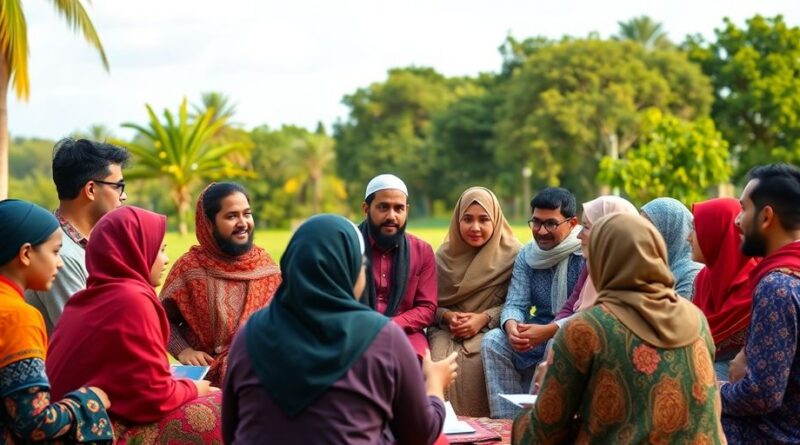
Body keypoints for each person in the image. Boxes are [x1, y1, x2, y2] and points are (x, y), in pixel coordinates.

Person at [222, 214, 457, 444]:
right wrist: (434, 384)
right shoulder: (383, 337)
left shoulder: (249, 334)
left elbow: (230, 432)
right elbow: (420, 434)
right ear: (351, 269)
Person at [512, 213, 724, 444]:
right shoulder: (696, 319)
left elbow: (543, 433)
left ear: (602, 261)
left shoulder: (588, 328)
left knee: (524, 423)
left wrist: (547, 387)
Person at [46, 206, 223, 443]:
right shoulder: (132, 299)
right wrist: (196, 389)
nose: (166, 259)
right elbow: (153, 398)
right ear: (135, 251)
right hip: (92, 431)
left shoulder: (86, 299)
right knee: (220, 407)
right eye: (159, 250)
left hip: (70, 424)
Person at [0, 199, 113, 444]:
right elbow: (35, 424)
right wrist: (89, 400)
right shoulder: (19, 317)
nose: (60, 262)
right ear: (26, 254)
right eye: (55, 251)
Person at [160, 183, 281, 386]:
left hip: (263, 380)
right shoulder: (190, 268)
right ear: (209, 223)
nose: (243, 223)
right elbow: (158, 317)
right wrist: (183, 349)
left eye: (247, 214)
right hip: (206, 384)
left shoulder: (266, 266)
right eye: (232, 216)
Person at [482, 187, 584, 419]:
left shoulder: (585, 254)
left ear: (572, 222)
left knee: (557, 342)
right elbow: (516, 302)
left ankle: (535, 424)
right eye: (536, 222)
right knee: (493, 341)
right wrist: (512, 327)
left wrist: (547, 332)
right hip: (534, 331)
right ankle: (507, 423)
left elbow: (590, 311)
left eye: (550, 224)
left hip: (570, 330)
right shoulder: (528, 254)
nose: (541, 231)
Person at [721, 164, 800, 444]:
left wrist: (710, 392)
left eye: (744, 209)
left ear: (766, 217)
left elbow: (763, 395)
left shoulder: (776, 287)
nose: (737, 221)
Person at [430, 187, 521, 417]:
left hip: (491, 327)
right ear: (457, 220)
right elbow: (425, 304)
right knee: (436, 359)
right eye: (467, 219)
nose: (475, 227)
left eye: (483, 220)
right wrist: (447, 316)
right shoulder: (441, 258)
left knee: (479, 360)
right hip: (445, 330)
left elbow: (518, 304)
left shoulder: (514, 256)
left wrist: (484, 318)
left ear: (496, 220)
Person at [25, 138, 129, 334]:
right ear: (90, 189)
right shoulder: (61, 256)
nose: (123, 196)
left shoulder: (87, 246)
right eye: (118, 186)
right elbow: (85, 337)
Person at [358, 174, 437, 356]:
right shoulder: (348, 245)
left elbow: (427, 308)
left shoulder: (422, 251)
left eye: (398, 208)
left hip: (405, 331)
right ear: (366, 208)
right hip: (357, 328)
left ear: (406, 210)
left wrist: (390, 326)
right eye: (383, 207)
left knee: (418, 364)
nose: (391, 216)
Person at [690, 198, 759, 379]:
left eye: (696, 229)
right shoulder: (703, 279)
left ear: (716, 232)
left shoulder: (758, 287)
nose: (688, 237)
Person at [641, 197, 703, 300]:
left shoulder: (691, 275)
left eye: (649, 230)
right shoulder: (656, 269)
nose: (641, 236)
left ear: (669, 231)